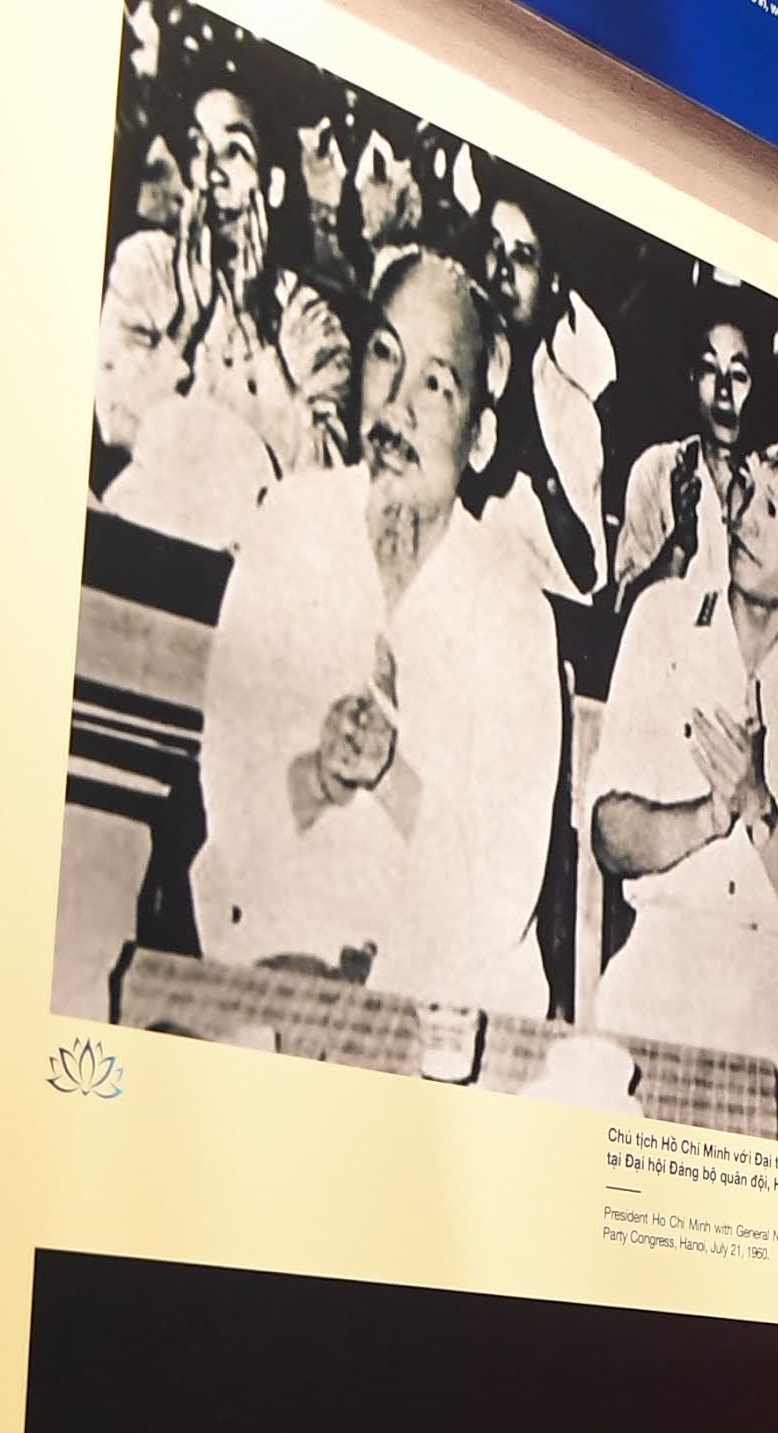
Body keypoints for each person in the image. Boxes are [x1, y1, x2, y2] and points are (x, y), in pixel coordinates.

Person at [188, 251, 564, 1018]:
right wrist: (318, 777)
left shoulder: (515, 608)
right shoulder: (288, 527)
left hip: (447, 1004)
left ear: (481, 439)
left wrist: (392, 776)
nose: (397, 405)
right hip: (279, 965)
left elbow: (500, 902)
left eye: (436, 383)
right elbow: (226, 805)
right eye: (385, 356)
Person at [594, 433, 778, 1148]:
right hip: (660, 967)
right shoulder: (662, 621)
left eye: (772, 508)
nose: (742, 515)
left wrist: (757, 807)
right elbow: (608, 836)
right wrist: (711, 815)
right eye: (744, 487)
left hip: (777, 994)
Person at [95, 79, 327, 549]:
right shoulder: (144, 264)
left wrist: (256, 332)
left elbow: (322, 482)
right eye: (199, 149)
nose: (210, 172)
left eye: (235, 153)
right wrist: (183, 325)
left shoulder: (308, 320)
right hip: (136, 538)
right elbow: (112, 422)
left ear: (273, 185)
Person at [471, 188, 617, 606]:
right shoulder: (444, 371)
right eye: (494, 249)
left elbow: (589, 576)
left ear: (552, 281)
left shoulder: (570, 412)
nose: (502, 272)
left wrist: (544, 479)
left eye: (522, 257)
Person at [612, 308, 761, 602]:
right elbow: (626, 612)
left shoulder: (769, 488)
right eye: (709, 369)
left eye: (738, 376)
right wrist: (679, 545)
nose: (723, 391)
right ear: (692, 379)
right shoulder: (656, 470)